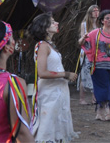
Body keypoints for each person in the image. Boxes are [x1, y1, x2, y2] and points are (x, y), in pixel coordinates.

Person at [29, 13, 78, 142]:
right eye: (52, 22)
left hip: (57, 91)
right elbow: (42, 72)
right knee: (46, 127)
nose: (56, 23)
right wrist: (65, 74)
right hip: (48, 93)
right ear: (44, 28)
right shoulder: (42, 46)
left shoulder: (50, 45)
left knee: (56, 124)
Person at [0, 20, 33, 142]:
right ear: (8, 47)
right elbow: (21, 133)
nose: (14, 41)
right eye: (12, 38)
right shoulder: (11, 83)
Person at [78, 4, 99, 105]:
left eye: (97, 10)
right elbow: (81, 41)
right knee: (84, 74)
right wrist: (85, 37)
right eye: (94, 11)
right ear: (90, 13)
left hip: (97, 52)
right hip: (86, 52)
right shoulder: (85, 25)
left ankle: (94, 98)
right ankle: (82, 98)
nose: (96, 12)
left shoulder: (100, 24)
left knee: (96, 74)